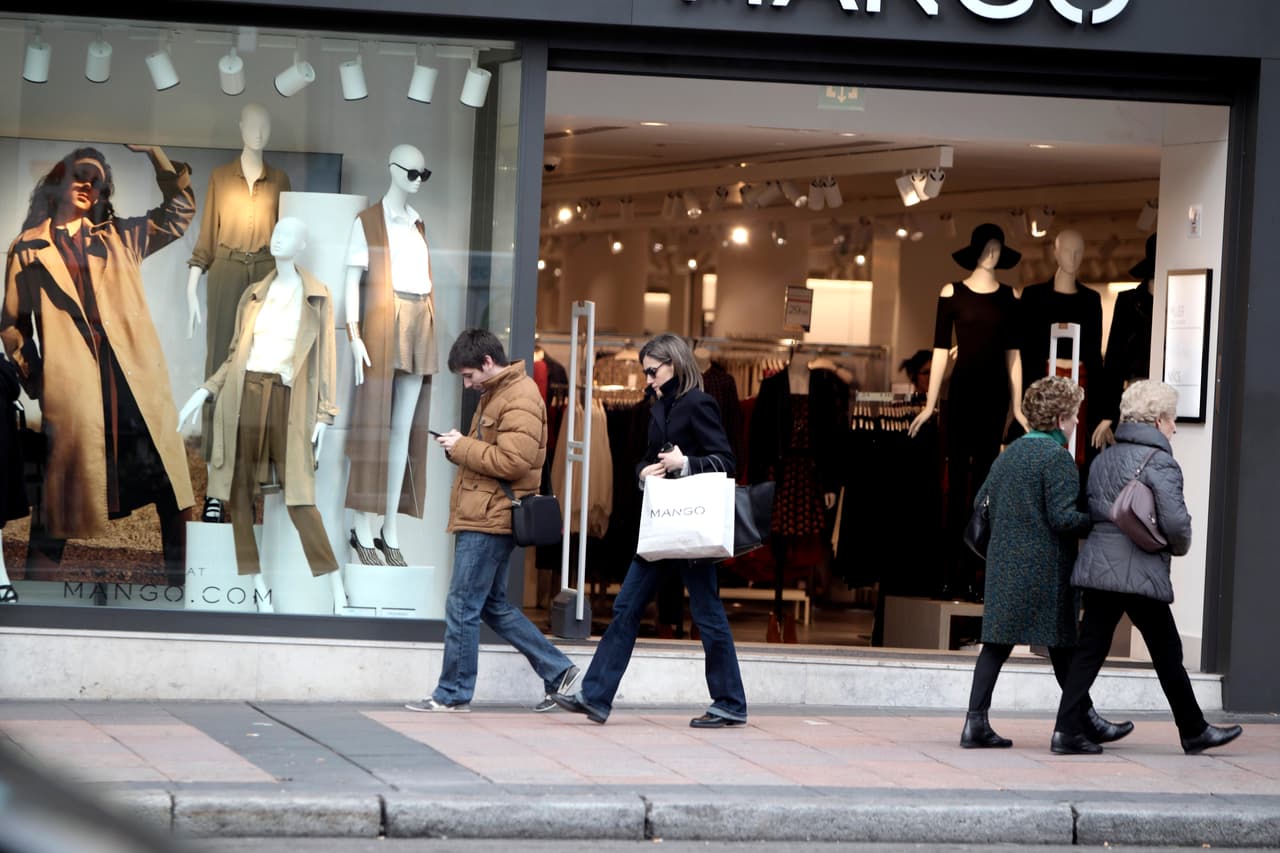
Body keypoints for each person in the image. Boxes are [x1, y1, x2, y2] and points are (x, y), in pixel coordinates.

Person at [2, 145, 195, 584]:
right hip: (76, 393)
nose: (89, 185)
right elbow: (12, 326)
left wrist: (158, 156)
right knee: (59, 506)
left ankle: (182, 594)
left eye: (98, 179)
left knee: (173, 493)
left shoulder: (121, 236)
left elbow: (179, 212)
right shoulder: (29, 247)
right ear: (59, 180)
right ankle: (35, 603)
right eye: (80, 175)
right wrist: (42, 382)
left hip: (134, 386)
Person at [553, 333, 748, 728]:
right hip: (664, 524)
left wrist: (686, 462)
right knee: (626, 607)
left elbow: (727, 461)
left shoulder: (699, 403)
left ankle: (730, 702)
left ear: (674, 363)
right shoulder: (659, 408)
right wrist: (643, 472)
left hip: (690, 524)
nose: (647, 380)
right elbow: (644, 458)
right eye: (646, 373)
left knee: (707, 613)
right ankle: (595, 696)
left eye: (652, 371)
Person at [1051, 380, 1243, 755]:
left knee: (1090, 649)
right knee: (1168, 650)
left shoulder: (1104, 457)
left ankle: (1066, 729)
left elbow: (1091, 510)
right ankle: (1193, 730)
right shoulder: (1161, 462)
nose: (1174, 428)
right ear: (1157, 421)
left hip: (1100, 569)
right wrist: (1180, 545)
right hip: (1139, 571)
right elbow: (1175, 524)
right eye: (1171, 420)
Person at [407, 329, 579, 713]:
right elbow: (496, 455)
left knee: (463, 604)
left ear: (488, 362)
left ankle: (452, 694)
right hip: (485, 511)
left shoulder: (518, 396)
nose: (467, 384)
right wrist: (459, 447)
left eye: (469, 375)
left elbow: (513, 462)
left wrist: (463, 446)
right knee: (491, 606)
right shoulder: (499, 393)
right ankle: (558, 670)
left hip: (490, 516)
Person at [177, 218, 343, 612]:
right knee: (239, 490)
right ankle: (257, 584)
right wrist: (204, 391)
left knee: (300, 497)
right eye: (276, 232)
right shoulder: (253, 294)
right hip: (244, 394)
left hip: (289, 400)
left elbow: (326, 360)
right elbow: (236, 355)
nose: (277, 238)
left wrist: (325, 414)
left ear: (301, 244)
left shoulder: (317, 295)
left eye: (287, 233)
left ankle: (336, 586)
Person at [961, 375, 1132, 749]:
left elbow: (980, 503)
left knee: (996, 645)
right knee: (1063, 645)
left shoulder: (1009, 455)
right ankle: (1082, 721)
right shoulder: (1057, 459)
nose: (1074, 425)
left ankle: (976, 723)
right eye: (1073, 417)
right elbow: (1063, 519)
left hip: (1004, 568)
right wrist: (1102, 517)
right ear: (1058, 420)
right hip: (1045, 572)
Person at [185, 104, 292, 521]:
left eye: (266, 124)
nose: (259, 131)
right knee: (219, 373)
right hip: (226, 272)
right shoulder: (219, 178)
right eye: (252, 123)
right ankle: (215, 488)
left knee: (259, 376)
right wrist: (192, 291)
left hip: (267, 274)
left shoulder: (280, 181)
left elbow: (288, 239)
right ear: (240, 126)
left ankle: (247, 486)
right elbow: (206, 241)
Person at [344, 144, 439, 567]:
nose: (418, 180)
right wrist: (353, 335)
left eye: (424, 174)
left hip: (420, 316)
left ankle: (389, 525)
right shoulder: (368, 221)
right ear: (393, 169)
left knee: (405, 429)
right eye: (413, 173)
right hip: (385, 319)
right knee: (375, 426)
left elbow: (424, 279)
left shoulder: (419, 223)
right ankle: (362, 524)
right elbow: (351, 280)